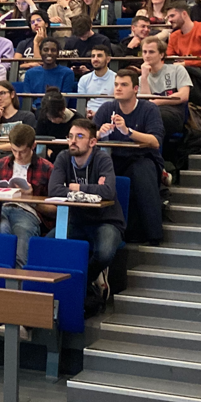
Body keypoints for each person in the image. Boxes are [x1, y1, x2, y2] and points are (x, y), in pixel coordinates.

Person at [49, 118, 125, 300]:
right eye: (70, 136)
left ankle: (85, 281)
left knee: (104, 253)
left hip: (106, 221)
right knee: (47, 245)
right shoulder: (64, 157)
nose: (73, 141)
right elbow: (54, 189)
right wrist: (93, 189)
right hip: (76, 221)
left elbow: (107, 191)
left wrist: (74, 187)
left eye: (80, 136)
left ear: (92, 142)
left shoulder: (102, 159)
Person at [92, 70, 165, 244]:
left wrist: (128, 131)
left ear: (135, 89)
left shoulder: (149, 109)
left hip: (142, 157)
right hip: (113, 157)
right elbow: (85, 136)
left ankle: (153, 234)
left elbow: (155, 142)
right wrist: (99, 134)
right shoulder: (107, 108)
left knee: (141, 172)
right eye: (116, 85)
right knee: (97, 170)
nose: (118, 88)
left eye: (124, 85)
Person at [0, 124, 53, 267]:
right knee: (0, 231)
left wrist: (31, 199)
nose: (17, 155)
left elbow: (56, 209)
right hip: (1, 209)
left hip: (28, 211)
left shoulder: (47, 168)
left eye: (22, 151)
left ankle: (18, 284)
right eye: (14, 150)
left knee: (21, 238)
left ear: (33, 146)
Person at [78, 44, 116, 115]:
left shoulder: (116, 79)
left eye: (99, 56)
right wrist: (87, 113)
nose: (95, 59)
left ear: (108, 59)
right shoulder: (84, 79)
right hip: (88, 117)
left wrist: (98, 114)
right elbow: (81, 104)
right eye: (93, 56)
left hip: (109, 116)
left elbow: (118, 105)